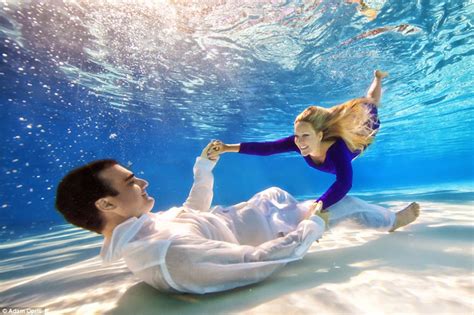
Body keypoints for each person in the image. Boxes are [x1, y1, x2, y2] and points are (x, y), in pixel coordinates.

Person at [55, 143, 326, 294]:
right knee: (350, 207)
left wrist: (204, 169)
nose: (143, 181)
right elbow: (258, 263)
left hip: (268, 210)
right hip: (283, 223)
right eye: (130, 182)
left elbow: (191, 213)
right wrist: (311, 225)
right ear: (105, 203)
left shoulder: (143, 227)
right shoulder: (167, 254)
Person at [207, 70, 420, 230]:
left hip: (364, 133)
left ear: (320, 135)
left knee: (370, 103)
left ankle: (379, 78)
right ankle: (378, 77)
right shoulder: (300, 143)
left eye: (305, 136)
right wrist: (226, 148)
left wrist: (320, 205)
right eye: (297, 136)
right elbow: (268, 148)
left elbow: (344, 183)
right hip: (341, 136)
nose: (299, 142)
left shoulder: (337, 150)